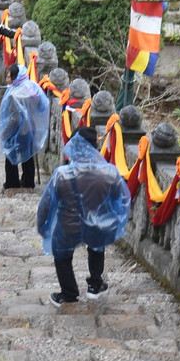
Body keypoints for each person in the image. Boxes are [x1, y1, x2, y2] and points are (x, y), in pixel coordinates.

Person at [36, 127, 131, 306]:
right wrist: (115, 223)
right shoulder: (109, 173)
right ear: (94, 147)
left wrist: (42, 226)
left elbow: (46, 204)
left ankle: (69, 292)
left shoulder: (62, 175)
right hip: (98, 225)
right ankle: (95, 285)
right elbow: (122, 200)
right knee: (97, 247)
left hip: (68, 226)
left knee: (62, 257)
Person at [0, 64, 50, 191]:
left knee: (11, 157)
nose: (7, 79)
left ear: (15, 77)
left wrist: (4, 133)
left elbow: (14, 119)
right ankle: (28, 182)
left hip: (17, 131)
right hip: (31, 128)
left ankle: (12, 183)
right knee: (28, 156)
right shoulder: (32, 88)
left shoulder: (13, 94)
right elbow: (42, 106)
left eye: (9, 77)